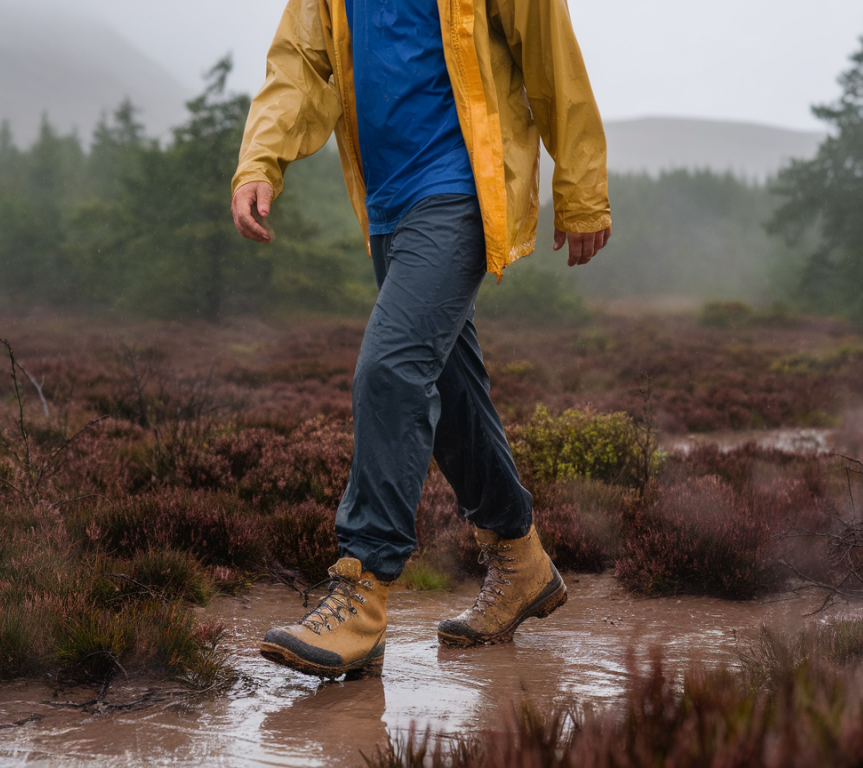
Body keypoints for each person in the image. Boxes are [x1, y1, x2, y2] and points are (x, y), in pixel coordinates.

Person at [231, 0, 612, 680]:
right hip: (388, 205)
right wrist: (260, 159)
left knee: (392, 370)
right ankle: (521, 562)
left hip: (462, 188)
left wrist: (581, 186)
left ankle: (362, 588)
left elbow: (551, 53)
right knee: (451, 392)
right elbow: (299, 63)